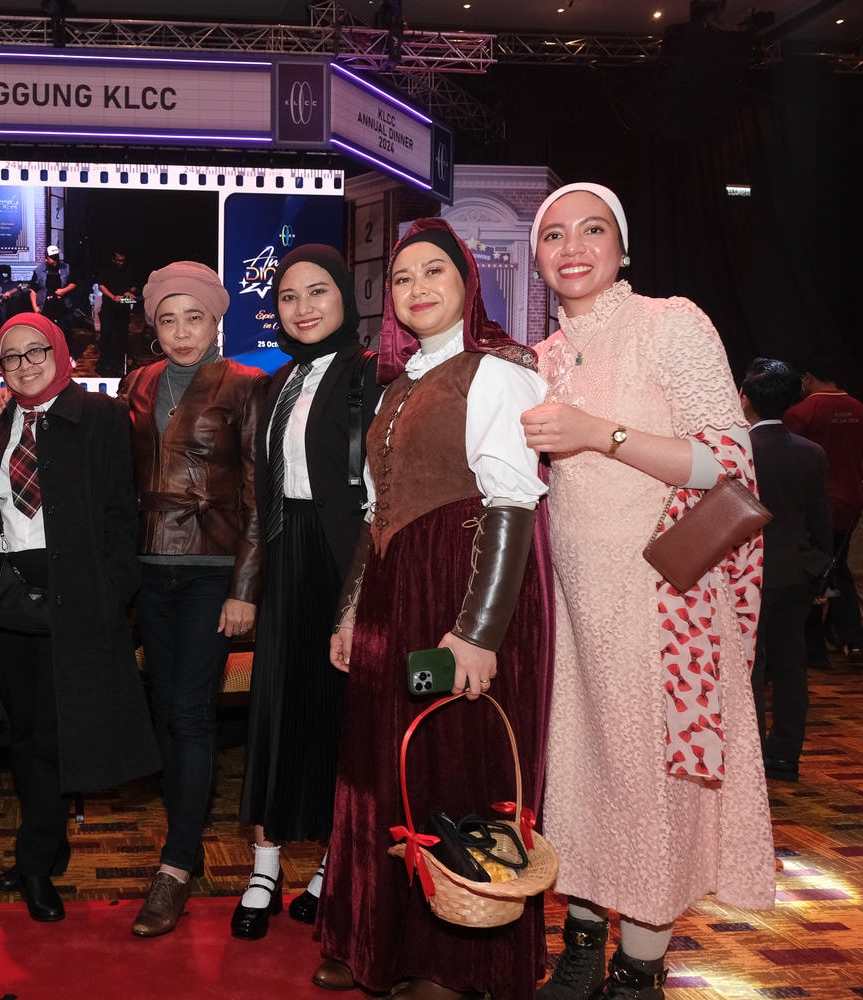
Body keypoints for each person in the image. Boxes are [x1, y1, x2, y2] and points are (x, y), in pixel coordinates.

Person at [521, 182, 775, 999]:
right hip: (575, 609)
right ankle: (583, 943)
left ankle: (638, 968)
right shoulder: (541, 357)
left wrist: (599, 433)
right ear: (537, 258)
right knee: (582, 776)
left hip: (663, 603)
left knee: (651, 786)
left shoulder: (671, 323)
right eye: (554, 234)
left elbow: (726, 461)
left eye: (592, 229)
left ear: (622, 247)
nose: (572, 247)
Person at [313, 219, 553, 998]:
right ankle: (375, 939)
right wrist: (351, 611)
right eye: (403, 277)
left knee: (450, 767)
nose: (416, 288)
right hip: (394, 591)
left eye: (433, 272)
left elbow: (513, 503)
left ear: (467, 282)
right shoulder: (399, 384)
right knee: (384, 768)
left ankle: (454, 959)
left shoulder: (497, 374)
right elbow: (375, 510)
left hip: (459, 586)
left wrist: (477, 633)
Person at [0, 313, 160, 923]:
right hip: (4, 600)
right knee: (21, 733)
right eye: (10, 356)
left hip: (76, 600)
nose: (23, 365)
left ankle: (36, 861)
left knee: (51, 734)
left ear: (61, 351)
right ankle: (44, 846)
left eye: (35, 351)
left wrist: (112, 589)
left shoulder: (100, 417)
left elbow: (122, 511)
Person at [232, 244, 378, 941]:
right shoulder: (275, 383)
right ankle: (264, 867)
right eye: (288, 297)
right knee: (274, 709)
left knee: (338, 717)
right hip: (286, 555)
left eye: (318, 291)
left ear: (345, 296)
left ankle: (330, 864)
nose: (303, 307)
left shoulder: (373, 375)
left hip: (346, 561)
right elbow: (258, 492)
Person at [119, 261, 266, 937]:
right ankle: (186, 838)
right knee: (163, 710)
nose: (181, 333)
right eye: (168, 320)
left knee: (189, 711)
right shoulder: (140, 382)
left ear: (216, 321)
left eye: (194, 318)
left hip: (211, 570)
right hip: (150, 570)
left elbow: (259, 495)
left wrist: (245, 589)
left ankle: (176, 863)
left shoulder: (246, 384)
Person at [742, 360, 830, 783]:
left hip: (750, 570)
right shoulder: (811, 452)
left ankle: (753, 755)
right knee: (791, 665)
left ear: (744, 399)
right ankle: (785, 754)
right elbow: (820, 520)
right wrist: (822, 573)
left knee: (752, 665)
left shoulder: (739, 450)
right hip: (796, 571)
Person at [783, 356, 863, 664]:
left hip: (815, 504)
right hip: (851, 500)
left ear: (807, 378)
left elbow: (793, 463)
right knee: (837, 569)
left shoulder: (802, 413)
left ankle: (814, 649)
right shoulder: (860, 409)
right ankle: (853, 640)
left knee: (811, 571)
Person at [96, 248, 138, 376]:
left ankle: (120, 364)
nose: (121, 263)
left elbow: (134, 285)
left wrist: (129, 292)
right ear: (114, 260)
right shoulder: (106, 270)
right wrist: (113, 297)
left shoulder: (129, 270)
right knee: (107, 335)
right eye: (119, 261)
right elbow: (101, 285)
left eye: (123, 261)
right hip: (109, 308)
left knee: (122, 336)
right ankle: (103, 364)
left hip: (123, 309)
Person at [32, 244, 77, 345]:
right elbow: (33, 290)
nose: (55, 260)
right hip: (45, 304)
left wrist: (64, 290)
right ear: (46, 258)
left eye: (56, 257)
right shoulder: (39, 270)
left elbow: (73, 283)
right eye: (52, 258)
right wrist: (35, 307)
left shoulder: (66, 268)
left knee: (65, 330)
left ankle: (66, 351)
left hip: (63, 305)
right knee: (46, 332)